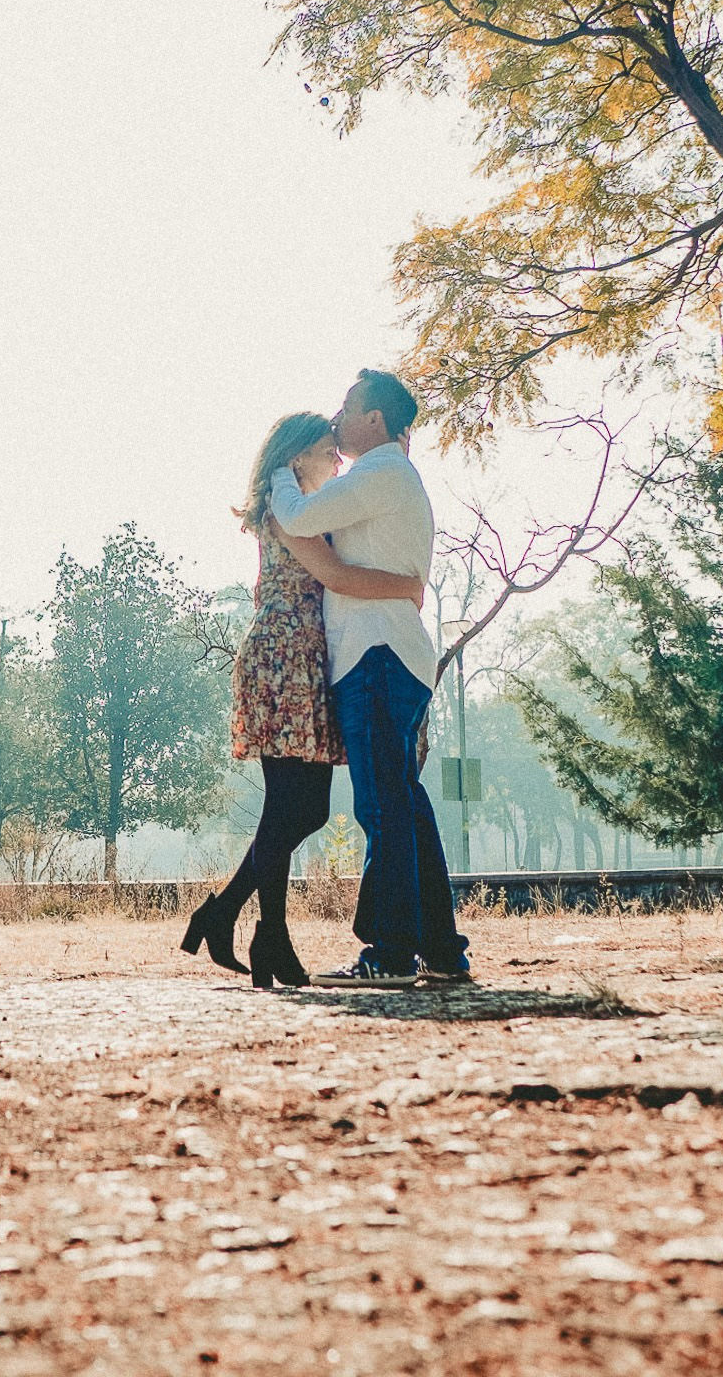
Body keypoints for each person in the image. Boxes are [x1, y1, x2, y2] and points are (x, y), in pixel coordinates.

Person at [181, 411, 426, 989]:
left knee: (304, 809)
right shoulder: (285, 511)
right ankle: (270, 938)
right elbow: (333, 574)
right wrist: (405, 586)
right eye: (324, 450)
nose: (335, 459)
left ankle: (227, 916)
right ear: (296, 459)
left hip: (303, 659)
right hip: (283, 658)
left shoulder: (305, 508)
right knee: (290, 807)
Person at [267, 370, 470, 988]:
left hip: (375, 655)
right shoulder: (391, 477)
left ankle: (390, 951)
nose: (338, 416)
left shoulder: (378, 474)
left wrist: (278, 467)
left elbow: (297, 516)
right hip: (390, 656)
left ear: (374, 420)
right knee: (403, 803)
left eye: (348, 407)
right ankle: (439, 947)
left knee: (383, 805)